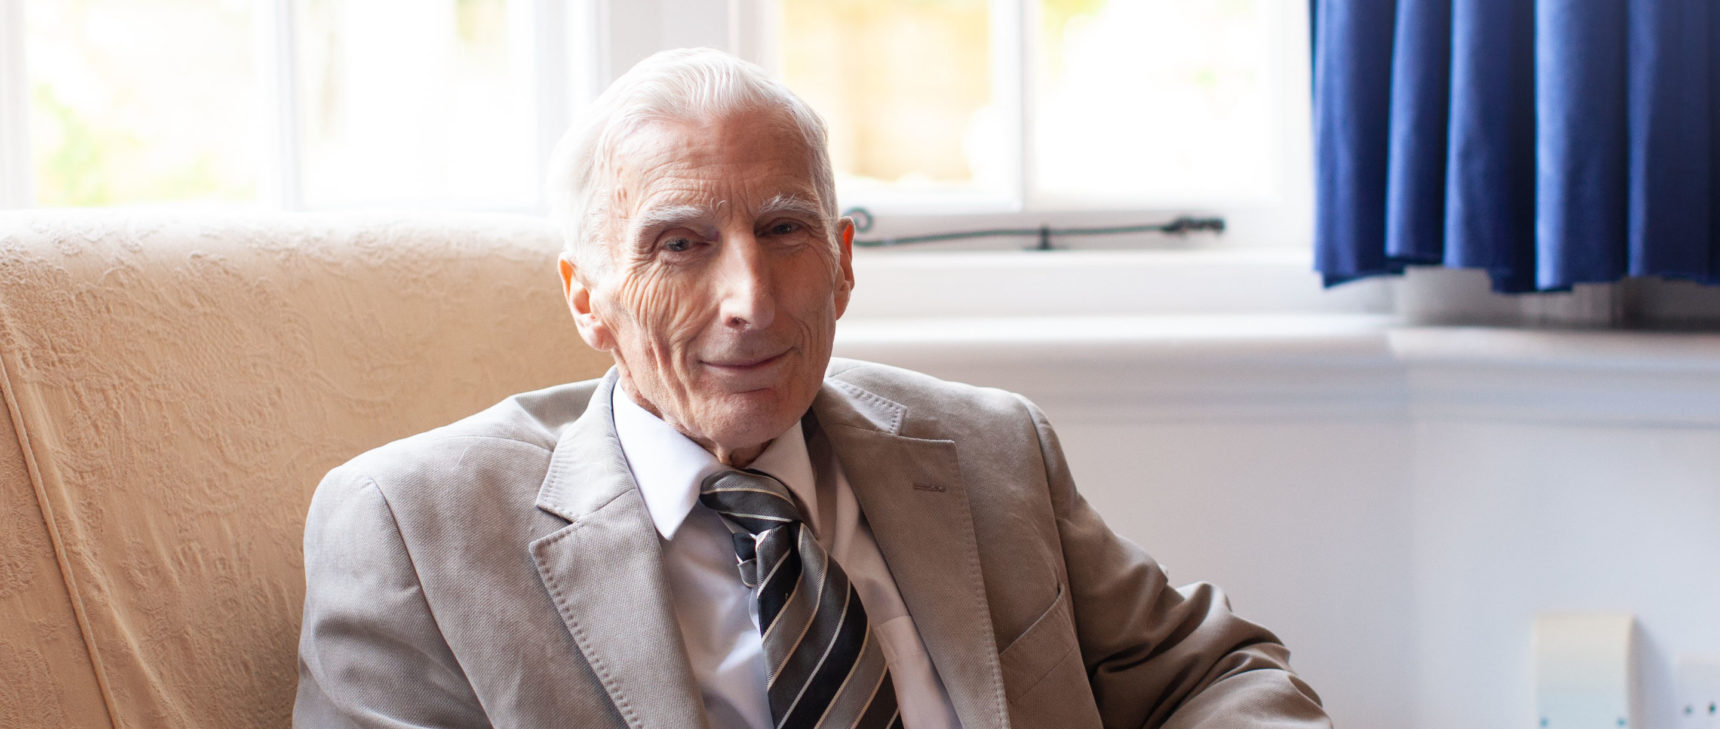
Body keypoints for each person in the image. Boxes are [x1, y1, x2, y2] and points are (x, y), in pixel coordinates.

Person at [294, 47, 1331, 729]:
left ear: (841, 261)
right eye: (679, 243)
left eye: (783, 231)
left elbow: (1217, 676)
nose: (747, 298)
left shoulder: (988, 450)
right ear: (587, 297)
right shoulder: (410, 529)